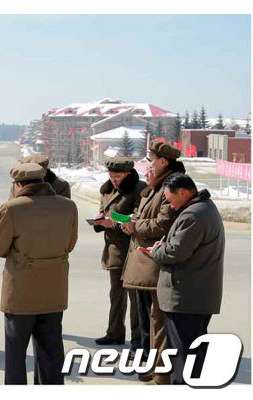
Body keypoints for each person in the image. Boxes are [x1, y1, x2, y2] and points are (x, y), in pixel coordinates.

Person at [0, 163, 78, 385]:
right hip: (54, 290)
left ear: (18, 184)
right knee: (51, 350)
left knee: (16, 353)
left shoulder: (13, 208)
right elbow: (70, 243)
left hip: (21, 292)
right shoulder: (68, 206)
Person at [145, 173, 224, 384]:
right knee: (193, 353)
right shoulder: (203, 208)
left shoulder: (194, 215)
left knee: (183, 357)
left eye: (171, 199)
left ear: (183, 192)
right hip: (195, 295)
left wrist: (156, 251)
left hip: (186, 297)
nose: (170, 205)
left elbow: (175, 253)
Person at [121, 141, 186, 384]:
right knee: (148, 321)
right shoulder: (156, 187)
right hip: (143, 262)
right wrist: (133, 221)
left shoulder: (170, 187)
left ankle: (161, 372)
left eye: (152, 160)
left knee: (158, 322)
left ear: (163, 162)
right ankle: (153, 366)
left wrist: (135, 225)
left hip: (155, 262)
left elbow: (163, 224)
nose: (149, 164)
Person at [92, 158, 146, 359]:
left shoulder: (140, 189)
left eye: (118, 177)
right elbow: (105, 211)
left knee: (135, 297)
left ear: (128, 174)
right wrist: (99, 221)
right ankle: (114, 333)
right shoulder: (106, 189)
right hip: (114, 249)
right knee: (116, 294)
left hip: (132, 249)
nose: (114, 180)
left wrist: (113, 222)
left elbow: (137, 218)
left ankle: (138, 340)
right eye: (111, 176)